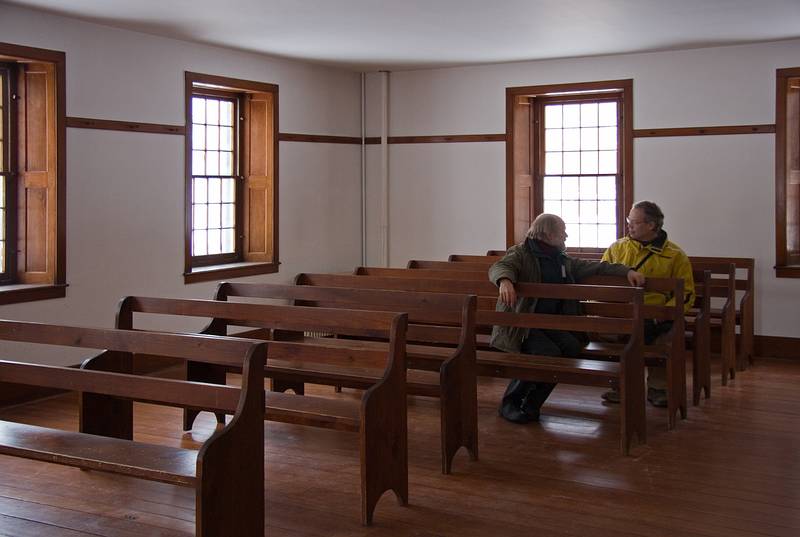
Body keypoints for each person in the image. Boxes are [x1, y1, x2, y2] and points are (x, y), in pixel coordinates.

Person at [489, 213, 646, 424]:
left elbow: (597, 266)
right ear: (548, 234)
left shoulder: (561, 258)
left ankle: (533, 403)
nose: (566, 235)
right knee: (547, 353)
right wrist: (505, 281)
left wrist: (627, 271)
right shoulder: (521, 253)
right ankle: (510, 402)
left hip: (553, 324)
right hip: (524, 325)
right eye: (562, 231)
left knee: (571, 347)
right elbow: (499, 267)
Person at [601, 200, 695, 408]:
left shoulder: (675, 255)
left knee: (661, 338)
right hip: (622, 314)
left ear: (651, 225)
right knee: (610, 334)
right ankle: (621, 385)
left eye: (634, 222)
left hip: (657, 316)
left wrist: (663, 314)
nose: (629, 226)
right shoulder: (617, 249)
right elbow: (602, 277)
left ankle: (658, 388)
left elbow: (686, 294)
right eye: (629, 221)